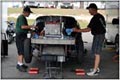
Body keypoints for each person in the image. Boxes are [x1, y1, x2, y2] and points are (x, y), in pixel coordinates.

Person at [73, 3, 106, 76]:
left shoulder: (95, 18)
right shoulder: (100, 16)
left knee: (97, 53)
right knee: (95, 51)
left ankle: (95, 71)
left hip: (99, 36)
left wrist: (77, 30)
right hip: (99, 35)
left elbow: (88, 29)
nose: (89, 11)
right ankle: (96, 68)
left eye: (89, 10)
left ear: (93, 9)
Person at [15, 6, 34, 72]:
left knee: (22, 50)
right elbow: (23, 27)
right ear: (26, 12)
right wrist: (32, 26)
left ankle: (21, 63)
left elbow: (26, 27)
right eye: (29, 13)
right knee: (21, 51)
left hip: (22, 36)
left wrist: (31, 30)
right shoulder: (21, 17)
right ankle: (19, 65)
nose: (29, 14)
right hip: (20, 36)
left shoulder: (24, 18)